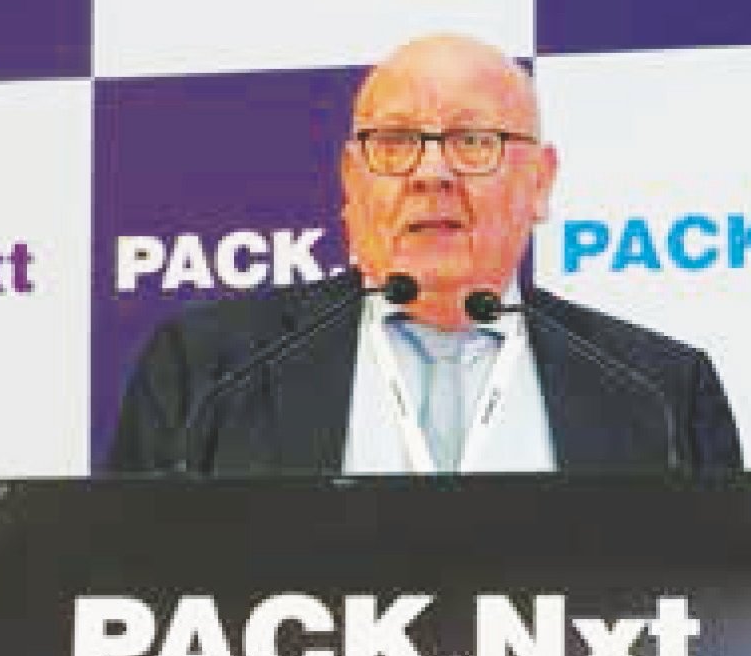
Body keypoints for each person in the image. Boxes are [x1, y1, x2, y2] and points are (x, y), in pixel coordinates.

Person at [107, 34, 741, 475]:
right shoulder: (210, 375)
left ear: (540, 181)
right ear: (352, 181)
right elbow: (124, 589)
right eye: (395, 141)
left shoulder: (660, 394)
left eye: (473, 140)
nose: (431, 173)